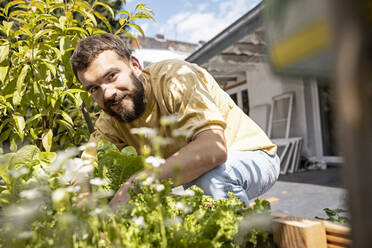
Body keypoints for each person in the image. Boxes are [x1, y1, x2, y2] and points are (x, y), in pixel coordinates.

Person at [70, 33, 280, 209]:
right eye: (94, 88)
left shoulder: (175, 77)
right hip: (195, 176)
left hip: (252, 156)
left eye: (111, 76)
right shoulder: (110, 116)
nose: (106, 94)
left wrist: (135, 185)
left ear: (135, 66)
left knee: (209, 179)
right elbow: (86, 169)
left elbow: (213, 149)